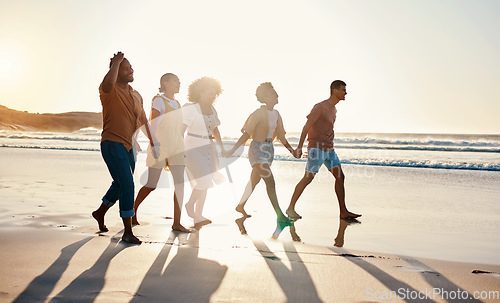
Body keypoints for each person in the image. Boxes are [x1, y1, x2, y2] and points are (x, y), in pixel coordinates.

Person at [92, 52, 158, 244]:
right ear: (116, 71)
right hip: (111, 143)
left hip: (128, 146)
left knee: (120, 183)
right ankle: (127, 232)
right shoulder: (109, 90)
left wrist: (153, 141)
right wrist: (116, 62)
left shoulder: (136, 94)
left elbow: (143, 119)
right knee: (128, 183)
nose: (131, 70)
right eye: (126, 68)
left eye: (131, 67)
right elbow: (108, 83)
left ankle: (100, 212)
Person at [286, 80, 361, 220]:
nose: (346, 92)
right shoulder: (320, 107)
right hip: (317, 149)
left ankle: (343, 211)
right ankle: (290, 208)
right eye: (343, 90)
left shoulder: (334, 109)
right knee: (308, 178)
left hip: (329, 149)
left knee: (340, 176)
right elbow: (306, 126)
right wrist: (300, 146)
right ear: (335, 91)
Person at [224, 82, 294, 228]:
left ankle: (240, 205)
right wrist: (233, 149)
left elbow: (281, 136)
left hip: (269, 149)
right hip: (257, 149)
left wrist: (293, 151)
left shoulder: (276, 114)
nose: (277, 96)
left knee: (254, 180)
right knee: (270, 181)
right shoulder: (257, 113)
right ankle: (280, 216)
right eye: (274, 94)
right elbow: (247, 134)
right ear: (266, 97)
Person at [132, 73, 190, 233]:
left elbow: (178, 128)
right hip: (160, 147)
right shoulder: (158, 100)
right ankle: (132, 211)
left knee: (180, 185)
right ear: (165, 83)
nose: (179, 83)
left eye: (179, 81)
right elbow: (152, 125)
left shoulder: (178, 103)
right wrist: (154, 145)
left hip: (176, 147)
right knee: (151, 184)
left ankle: (177, 223)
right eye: (175, 81)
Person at [182, 77, 225, 226]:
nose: (212, 97)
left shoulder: (212, 110)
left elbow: (215, 130)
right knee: (204, 181)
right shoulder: (190, 108)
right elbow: (181, 131)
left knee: (205, 183)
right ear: (200, 92)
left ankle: (198, 216)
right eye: (209, 93)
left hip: (208, 147)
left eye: (214, 94)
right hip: (192, 147)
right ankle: (189, 205)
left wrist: (222, 147)